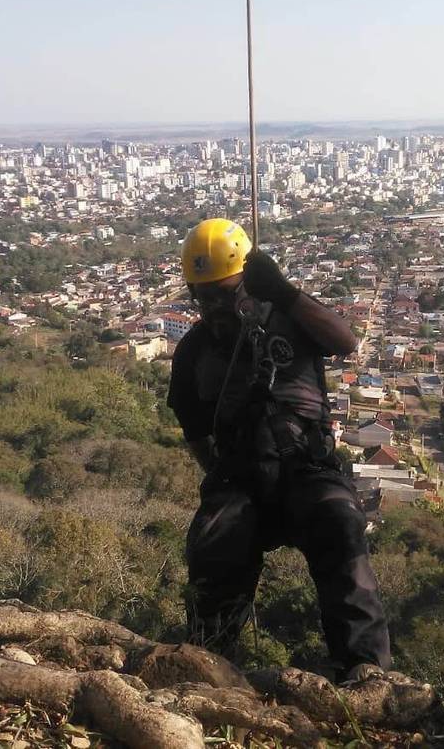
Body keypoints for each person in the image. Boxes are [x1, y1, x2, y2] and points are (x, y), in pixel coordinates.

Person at [167, 218, 391, 682]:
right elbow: (194, 432)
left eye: (225, 292)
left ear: (248, 282)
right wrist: (224, 476)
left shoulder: (291, 318)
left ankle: (365, 674)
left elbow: (346, 342)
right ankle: (207, 670)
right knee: (214, 544)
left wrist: (285, 292)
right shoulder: (194, 352)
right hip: (241, 477)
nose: (214, 306)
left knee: (341, 526)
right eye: (202, 296)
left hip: (308, 468)